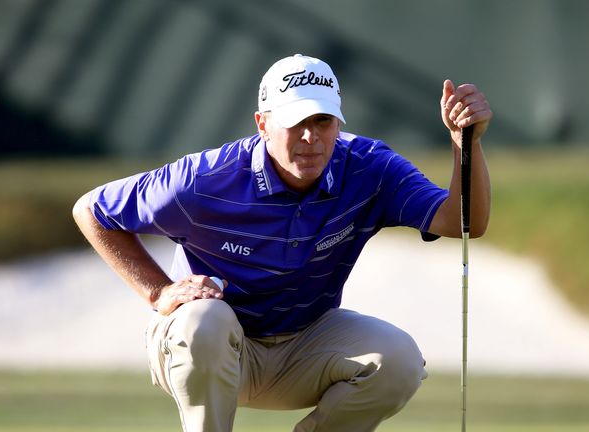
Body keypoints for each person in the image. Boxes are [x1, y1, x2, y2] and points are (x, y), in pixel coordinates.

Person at [73, 53, 491, 432]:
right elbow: (91, 211)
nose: (310, 138)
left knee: (398, 361)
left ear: (339, 122)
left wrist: (464, 143)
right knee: (206, 322)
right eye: (295, 123)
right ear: (263, 124)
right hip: (212, 347)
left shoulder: (369, 168)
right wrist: (159, 291)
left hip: (304, 344)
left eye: (322, 122)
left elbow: (461, 221)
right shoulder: (203, 179)